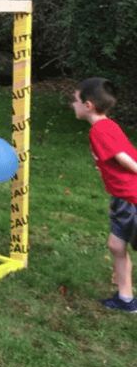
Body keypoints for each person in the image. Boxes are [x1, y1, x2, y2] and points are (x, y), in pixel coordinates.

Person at [72, 78, 137, 312]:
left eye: (75, 100)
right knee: (116, 246)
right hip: (122, 198)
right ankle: (125, 298)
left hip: (131, 199)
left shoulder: (100, 129)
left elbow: (124, 158)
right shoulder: (106, 126)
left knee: (118, 245)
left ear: (88, 105)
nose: (73, 104)